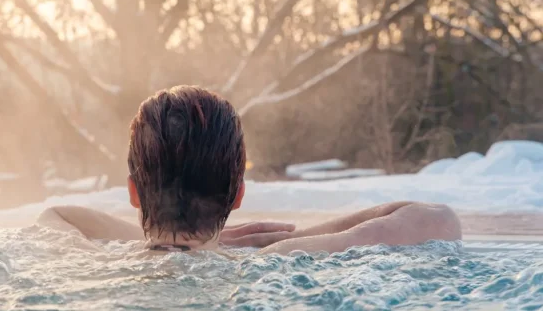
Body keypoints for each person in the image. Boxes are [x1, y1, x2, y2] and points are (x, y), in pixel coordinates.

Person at [38, 86, 461, 254]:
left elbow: (55, 214)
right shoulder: (271, 263)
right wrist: (262, 243)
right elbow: (439, 220)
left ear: (133, 192)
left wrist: (164, 237)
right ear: (237, 195)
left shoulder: (97, 259)